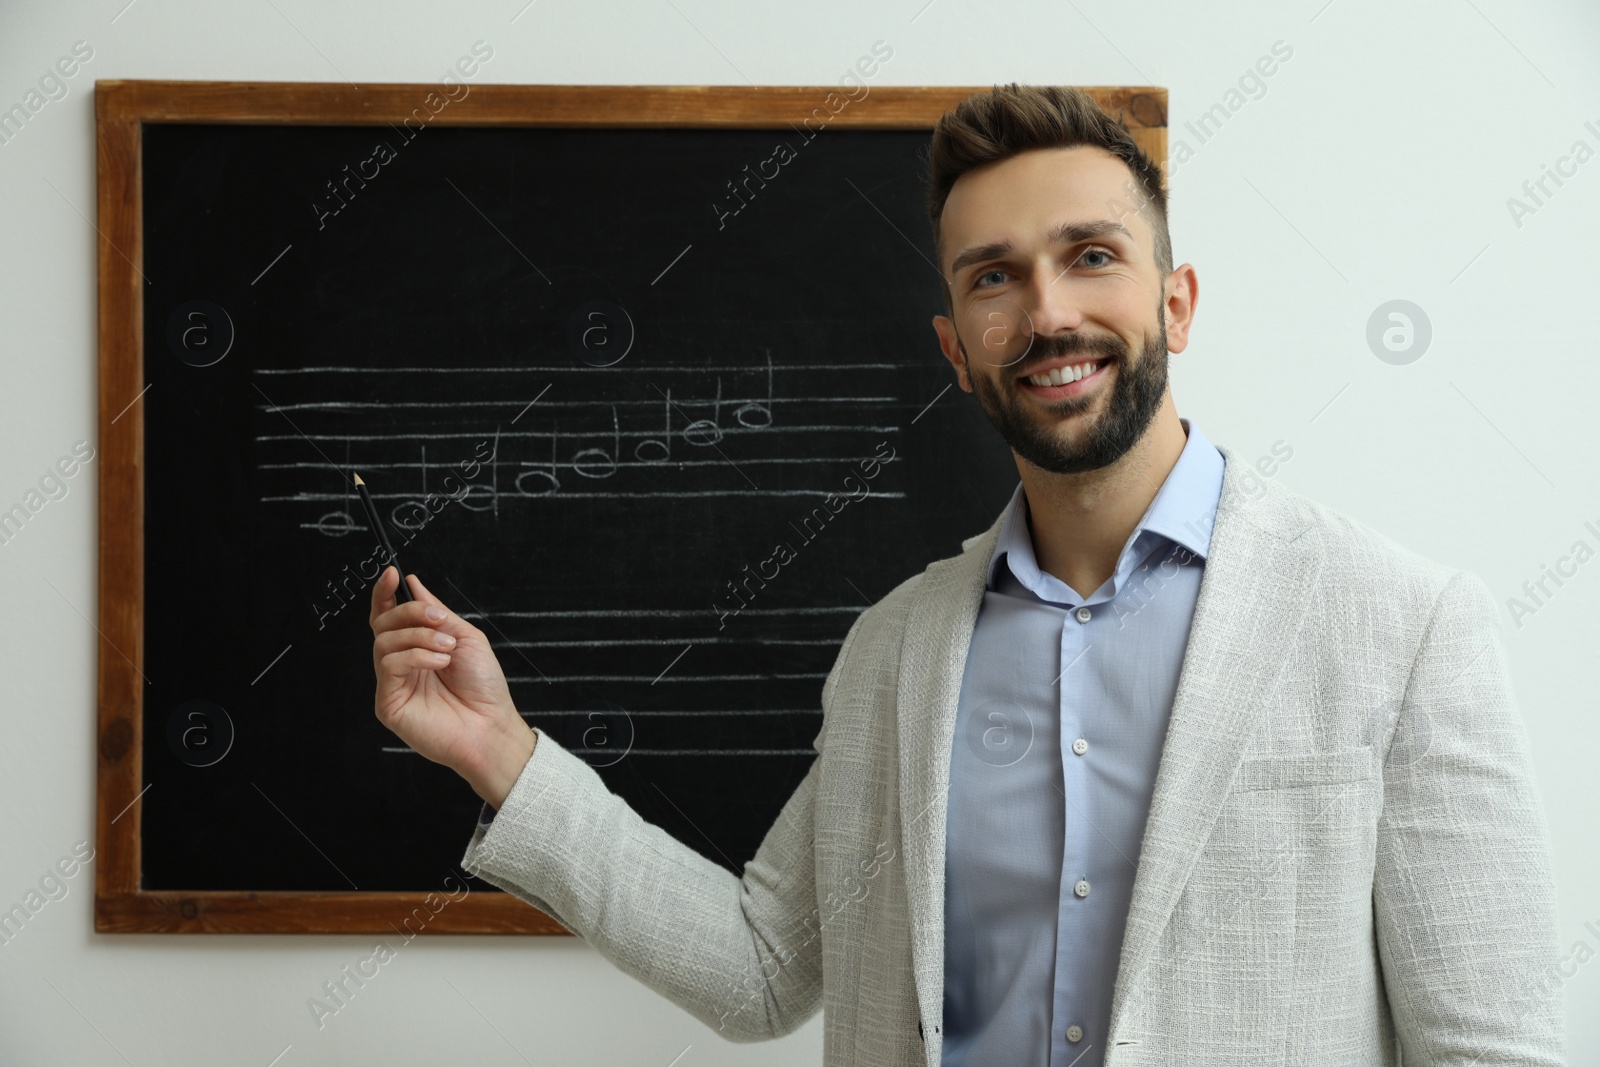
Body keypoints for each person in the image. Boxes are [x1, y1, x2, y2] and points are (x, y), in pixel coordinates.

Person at [368, 84, 1563, 1067]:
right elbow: (761, 964)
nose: (1046, 312)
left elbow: (1488, 1046)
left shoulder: (1400, 623)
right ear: (955, 348)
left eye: (1090, 256)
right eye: (992, 276)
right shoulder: (895, 648)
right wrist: (502, 753)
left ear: (1174, 301)